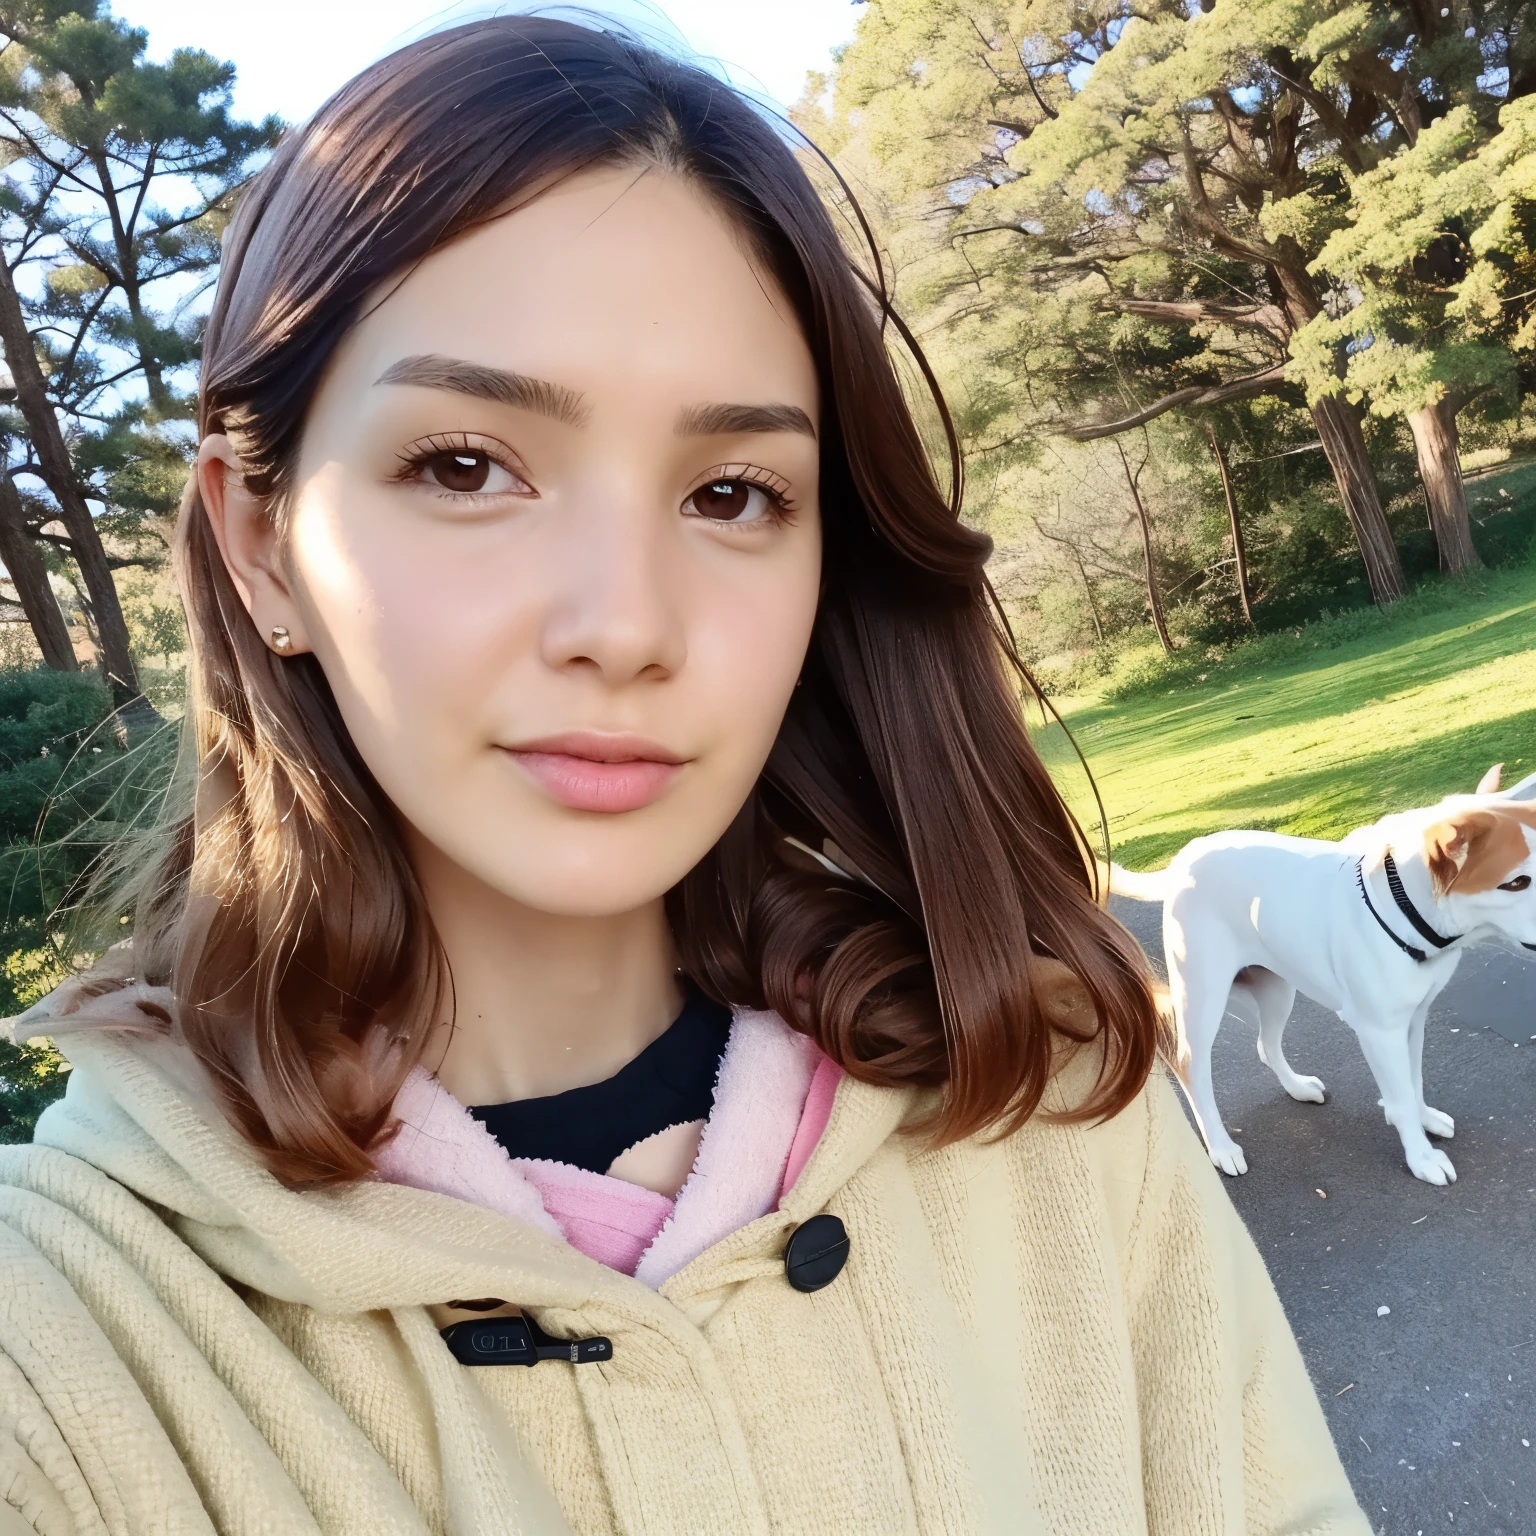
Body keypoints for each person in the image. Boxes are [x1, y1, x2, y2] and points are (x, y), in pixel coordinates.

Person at [0, 16, 1367, 1535]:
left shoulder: (1050, 1115)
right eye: (466, 466)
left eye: (731, 494)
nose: (628, 626)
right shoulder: (71, 1340)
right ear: (261, 543)